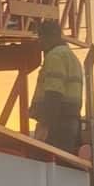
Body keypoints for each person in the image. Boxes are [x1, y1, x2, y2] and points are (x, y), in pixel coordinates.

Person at [29, 19, 84, 153]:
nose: (40, 42)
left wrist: (45, 124)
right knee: (63, 164)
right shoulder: (72, 58)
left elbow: (54, 93)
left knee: (46, 162)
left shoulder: (55, 56)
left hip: (57, 123)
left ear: (50, 37)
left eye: (41, 37)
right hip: (70, 120)